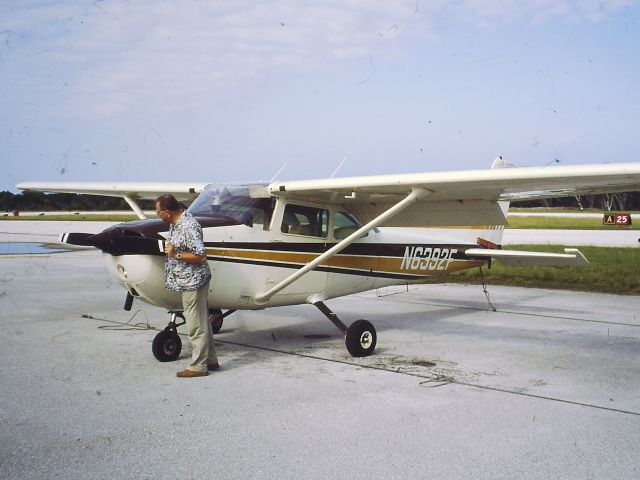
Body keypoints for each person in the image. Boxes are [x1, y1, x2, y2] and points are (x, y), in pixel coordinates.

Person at [155, 194, 219, 378]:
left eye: (158, 211)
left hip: (193, 281)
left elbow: (201, 255)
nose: (157, 214)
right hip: (188, 280)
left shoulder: (188, 226)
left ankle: (198, 366)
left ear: (167, 212)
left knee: (195, 325)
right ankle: (211, 360)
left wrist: (176, 255)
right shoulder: (175, 223)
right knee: (202, 321)